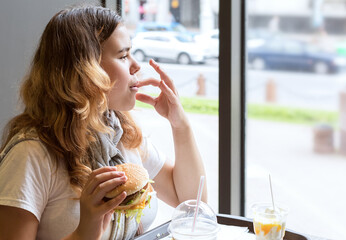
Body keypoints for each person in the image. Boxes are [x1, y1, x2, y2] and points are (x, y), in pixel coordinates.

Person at [0, 5, 207, 240]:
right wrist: (83, 233)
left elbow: (192, 203)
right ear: (86, 71)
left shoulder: (119, 132)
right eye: (123, 55)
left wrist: (180, 125)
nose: (136, 65)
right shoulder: (30, 153)